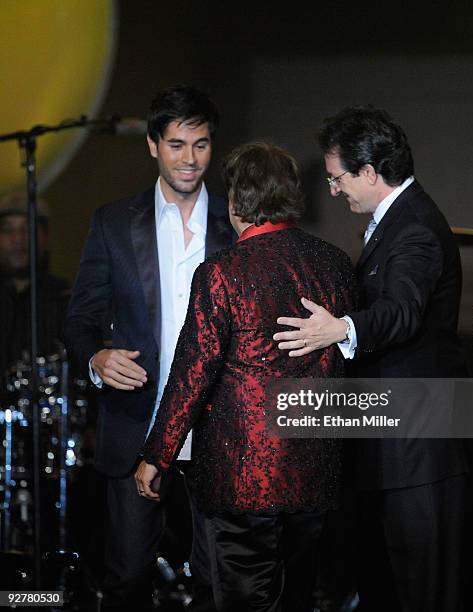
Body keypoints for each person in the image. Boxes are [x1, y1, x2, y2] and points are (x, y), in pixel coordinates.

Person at [135, 142, 356, 612]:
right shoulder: (335, 264)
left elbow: (193, 373)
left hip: (243, 476)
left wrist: (158, 453)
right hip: (316, 473)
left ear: (237, 201)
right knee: (298, 599)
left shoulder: (221, 272)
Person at [273, 107, 467, 612]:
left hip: (416, 452)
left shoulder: (416, 227)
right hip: (393, 446)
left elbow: (401, 311)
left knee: (419, 592)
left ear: (369, 173)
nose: (334, 191)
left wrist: (341, 328)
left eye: (338, 179)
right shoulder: (397, 221)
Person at [63, 85, 234, 611]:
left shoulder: (236, 222)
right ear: (153, 145)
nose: (190, 158)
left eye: (201, 145)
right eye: (178, 144)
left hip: (218, 428)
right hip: (137, 423)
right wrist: (96, 358)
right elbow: (80, 320)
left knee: (219, 585)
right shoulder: (114, 222)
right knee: (127, 582)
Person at [0, 192, 69, 375]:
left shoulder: (66, 298)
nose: (18, 239)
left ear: (46, 238)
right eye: (7, 230)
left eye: (28, 229)